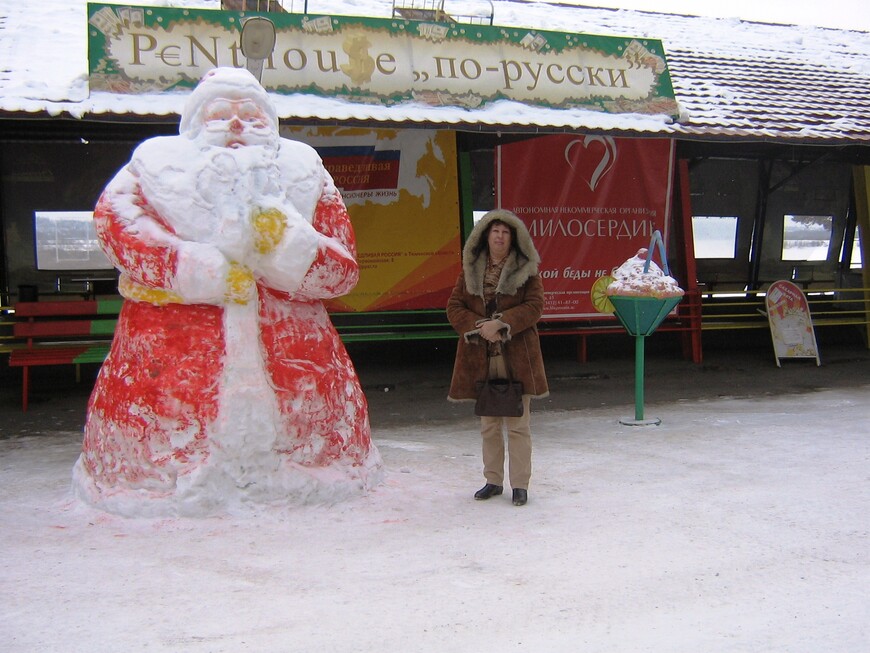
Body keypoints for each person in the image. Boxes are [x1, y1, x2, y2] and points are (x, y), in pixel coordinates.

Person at [73, 67, 381, 515]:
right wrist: (195, 267)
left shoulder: (304, 173)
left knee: (306, 427)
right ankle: (161, 477)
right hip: (172, 344)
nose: (237, 125)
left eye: (253, 117)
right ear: (195, 124)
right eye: (220, 115)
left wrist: (289, 246)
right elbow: (116, 224)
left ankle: (310, 468)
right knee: (165, 425)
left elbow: (342, 268)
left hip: (295, 350)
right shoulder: (157, 166)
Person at [447, 209, 549, 506]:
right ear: (485, 236)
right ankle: (492, 480)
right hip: (480, 354)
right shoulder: (469, 271)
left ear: (512, 237)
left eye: (505, 232)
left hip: (517, 355)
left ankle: (520, 485)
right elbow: (454, 307)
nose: (500, 237)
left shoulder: (527, 270)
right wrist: (479, 327)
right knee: (489, 424)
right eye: (495, 232)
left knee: (518, 424)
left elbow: (535, 306)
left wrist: (503, 323)